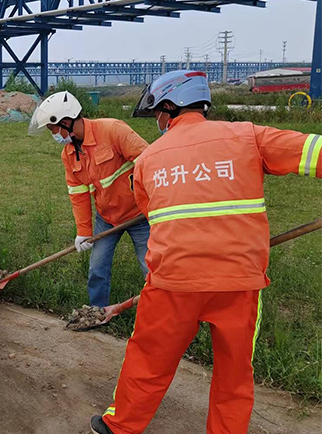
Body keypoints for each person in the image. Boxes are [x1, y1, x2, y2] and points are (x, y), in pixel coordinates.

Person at [90, 70, 322, 434]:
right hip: (238, 283)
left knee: (148, 358)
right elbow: (314, 151)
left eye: (157, 113)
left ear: (170, 107)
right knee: (234, 373)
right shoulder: (247, 136)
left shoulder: (149, 159)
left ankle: (119, 426)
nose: (157, 120)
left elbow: (152, 213)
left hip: (172, 283)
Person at [30, 91, 150, 308]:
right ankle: (96, 311)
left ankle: (160, 312)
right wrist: (84, 232)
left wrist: (156, 204)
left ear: (66, 122)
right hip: (107, 218)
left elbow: (151, 163)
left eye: (52, 128)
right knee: (97, 268)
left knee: (150, 267)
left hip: (138, 215)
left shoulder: (113, 130)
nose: (53, 134)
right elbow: (78, 195)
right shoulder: (69, 154)